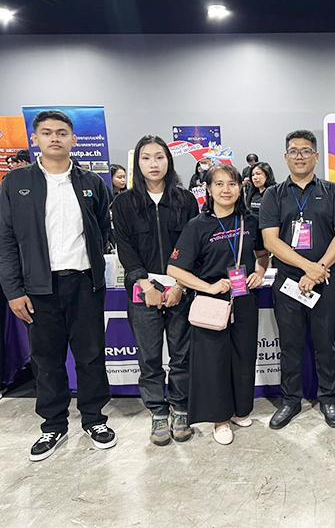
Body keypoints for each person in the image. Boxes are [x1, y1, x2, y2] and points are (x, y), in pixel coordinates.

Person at [0, 110, 115, 461]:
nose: (55, 138)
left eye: (62, 133)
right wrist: (14, 291)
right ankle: (53, 425)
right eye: (47, 132)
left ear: (73, 140)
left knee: (91, 356)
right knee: (47, 360)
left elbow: (102, 229)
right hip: (39, 288)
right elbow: (6, 240)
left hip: (84, 284)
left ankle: (94, 419)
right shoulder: (16, 183)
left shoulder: (91, 182)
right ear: (35, 139)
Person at [168, 163, 268, 445]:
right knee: (215, 362)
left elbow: (262, 254)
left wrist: (259, 272)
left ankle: (240, 410)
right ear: (209, 189)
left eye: (232, 183)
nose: (226, 189)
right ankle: (220, 419)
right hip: (212, 303)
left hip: (244, 300)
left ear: (240, 188)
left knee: (244, 356)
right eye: (219, 184)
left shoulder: (250, 221)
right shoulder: (197, 226)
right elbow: (175, 269)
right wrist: (208, 287)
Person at [259, 130, 335, 429]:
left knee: (325, 344)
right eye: (294, 151)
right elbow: (271, 241)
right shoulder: (273, 194)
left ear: (316, 156)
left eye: (306, 150)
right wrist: (307, 268)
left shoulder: (333, 191)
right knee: (290, 345)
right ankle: (291, 400)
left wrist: (319, 269)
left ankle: (328, 399)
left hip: (325, 281)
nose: (300, 156)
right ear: (285, 156)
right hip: (288, 283)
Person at [112, 136, 199, 446]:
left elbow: (193, 245)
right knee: (149, 357)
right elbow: (125, 247)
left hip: (180, 290)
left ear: (168, 161)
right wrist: (144, 284)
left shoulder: (185, 200)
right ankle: (158, 412)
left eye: (159, 157)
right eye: (146, 158)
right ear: (138, 163)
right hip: (143, 291)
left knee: (181, 355)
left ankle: (180, 407)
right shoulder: (124, 203)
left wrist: (180, 285)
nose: (153, 164)